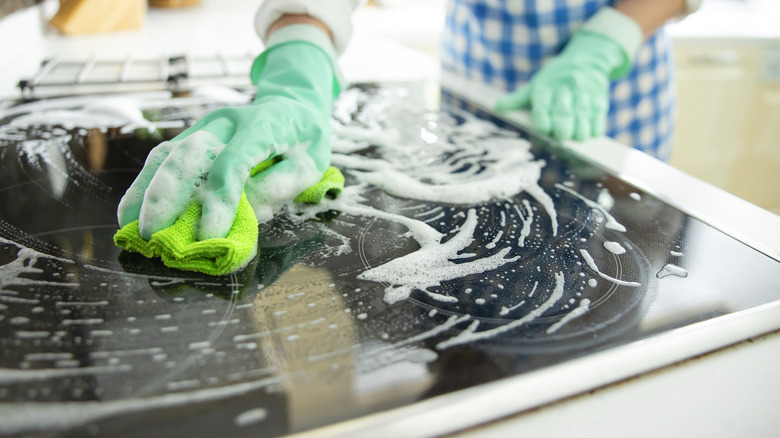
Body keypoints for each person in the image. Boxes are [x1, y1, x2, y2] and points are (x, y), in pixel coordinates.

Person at [117, 0, 702, 242]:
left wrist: (604, 43)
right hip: (478, 81)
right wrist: (296, 74)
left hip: (614, 100)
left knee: (611, 238)